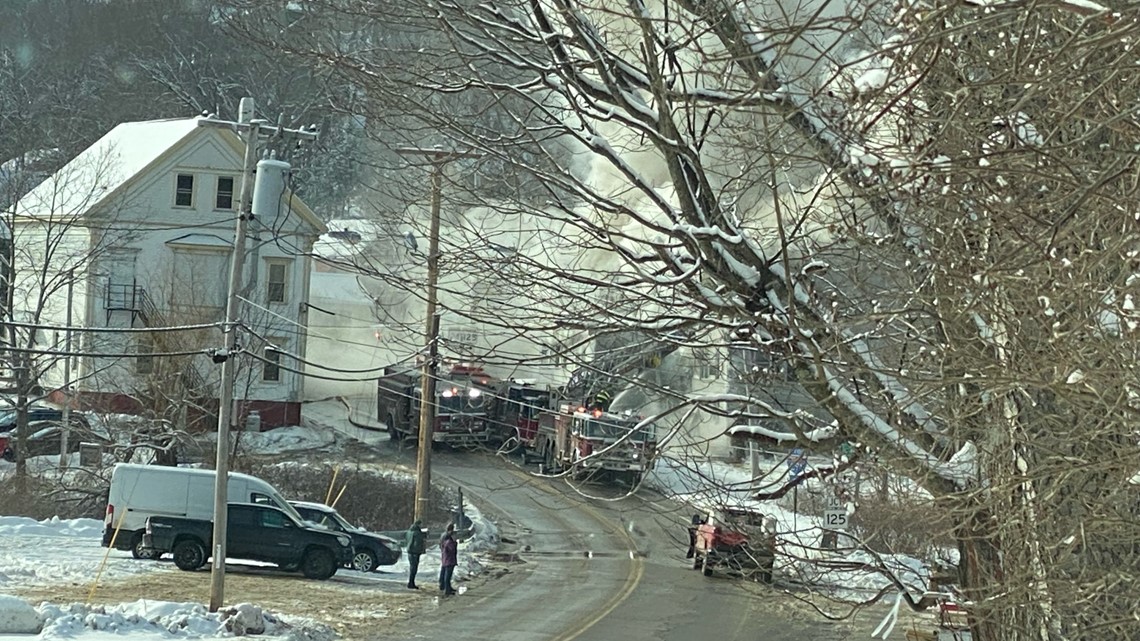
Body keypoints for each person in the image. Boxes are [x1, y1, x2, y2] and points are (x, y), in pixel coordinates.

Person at [405, 519, 426, 589]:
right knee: (414, 568)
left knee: (412, 568)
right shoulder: (417, 532)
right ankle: (411, 583)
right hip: (415, 552)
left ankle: (411, 582)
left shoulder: (409, 531)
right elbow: (418, 542)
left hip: (409, 551)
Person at [439, 523, 458, 596]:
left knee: (444, 572)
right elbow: (452, 549)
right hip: (449, 558)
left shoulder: (443, 536)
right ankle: (446, 588)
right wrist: (455, 542)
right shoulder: (449, 541)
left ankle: (445, 586)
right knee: (447, 574)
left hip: (445, 556)